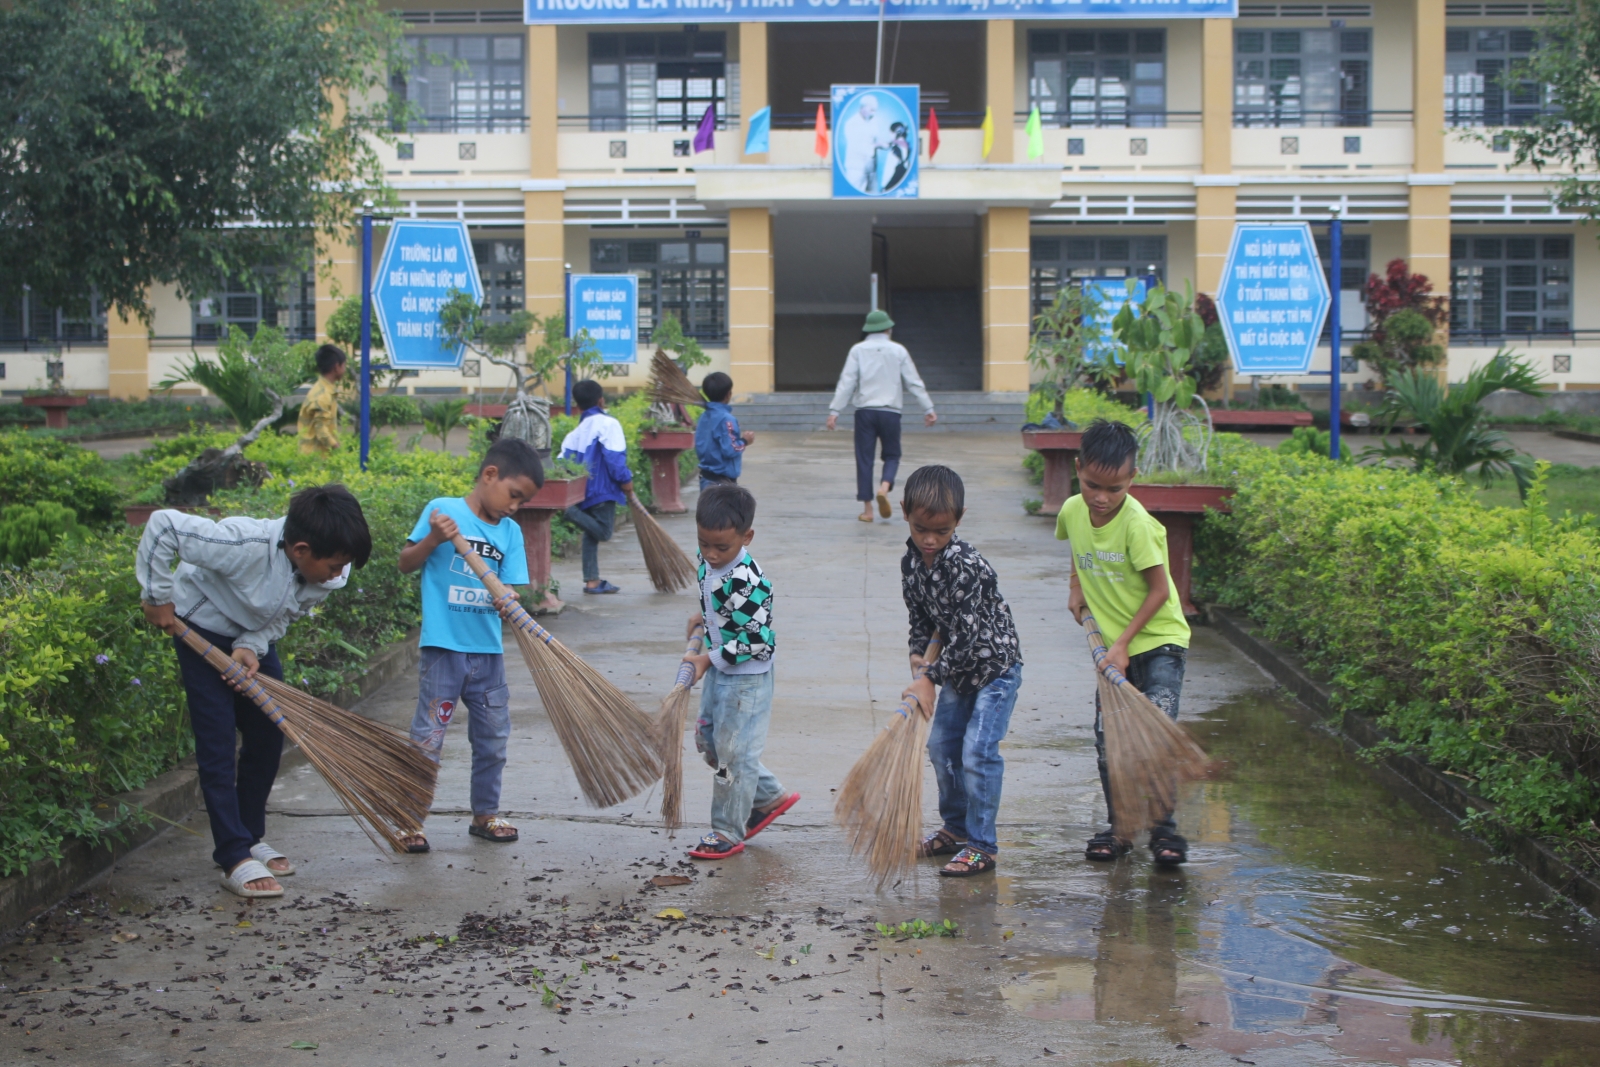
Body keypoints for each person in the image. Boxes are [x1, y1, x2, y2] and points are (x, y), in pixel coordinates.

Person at [136, 485, 372, 898]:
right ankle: (231, 855)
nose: (339, 574)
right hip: (199, 629)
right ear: (300, 549)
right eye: (333, 566)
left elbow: (286, 613)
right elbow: (163, 526)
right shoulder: (241, 544)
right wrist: (156, 596)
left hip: (248, 637)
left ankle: (248, 836)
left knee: (267, 732)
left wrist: (252, 645)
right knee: (217, 740)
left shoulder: (329, 569)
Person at [397, 436, 545, 851]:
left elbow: (511, 589)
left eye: (522, 502)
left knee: (493, 738)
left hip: (488, 654)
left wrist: (510, 601)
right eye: (513, 495)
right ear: (489, 475)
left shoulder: (511, 532)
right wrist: (432, 540)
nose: (514, 507)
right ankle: (409, 820)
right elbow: (406, 562)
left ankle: (485, 813)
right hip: (444, 649)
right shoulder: (442, 511)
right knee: (428, 738)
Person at [1056, 418, 1192, 866]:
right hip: (1113, 647)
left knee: (1153, 734)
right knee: (1108, 739)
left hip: (1158, 644)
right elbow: (1076, 547)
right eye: (1093, 484)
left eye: (1114, 489)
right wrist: (1077, 586)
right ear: (1078, 469)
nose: (1101, 497)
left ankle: (1164, 831)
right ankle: (1121, 828)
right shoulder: (1073, 510)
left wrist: (1124, 644)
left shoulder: (1139, 526)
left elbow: (1159, 590)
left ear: (1132, 479)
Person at [900, 465, 1024, 877]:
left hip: (994, 669)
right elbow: (920, 618)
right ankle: (955, 829)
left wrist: (931, 679)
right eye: (922, 530)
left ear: (959, 520)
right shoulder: (912, 563)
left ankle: (982, 844)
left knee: (977, 752)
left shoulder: (966, 565)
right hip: (955, 671)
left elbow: (968, 639)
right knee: (941, 749)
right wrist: (919, 660)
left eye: (943, 531)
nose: (931, 540)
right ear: (905, 514)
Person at [679, 484, 798, 859]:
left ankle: (727, 830)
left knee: (732, 757)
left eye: (721, 548)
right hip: (722, 668)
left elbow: (760, 641)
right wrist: (706, 616)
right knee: (710, 741)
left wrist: (704, 659)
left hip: (747, 679)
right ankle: (768, 796)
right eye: (704, 544)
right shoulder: (709, 560)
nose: (711, 555)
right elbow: (714, 594)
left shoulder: (747, 582)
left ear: (746, 537)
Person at [826, 309, 937, 522]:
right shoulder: (898, 350)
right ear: (888, 328)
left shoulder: (857, 350)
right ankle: (884, 488)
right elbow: (913, 381)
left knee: (864, 459)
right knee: (892, 455)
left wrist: (835, 411)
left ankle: (868, 511)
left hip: (865, 412)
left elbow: (847, 382)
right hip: (890, 412)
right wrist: (928, 409)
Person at [559, 379, 635, 594]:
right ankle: (569, 512)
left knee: (590, 533)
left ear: (578, 406)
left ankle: (592, 581)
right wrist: (626, 482)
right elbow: (614, 459)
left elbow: (561, 464)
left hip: (581, 492)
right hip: (602, 490)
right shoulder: (609, 424)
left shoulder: (573, 434)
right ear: (601, 400)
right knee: (603, 532)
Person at [694, 371, 755, 490]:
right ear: (728, 394)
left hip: (706, 479)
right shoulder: (727, 420)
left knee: (708, 509)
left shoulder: (704, 416)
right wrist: (745, 441)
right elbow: (730, 449)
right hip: (722, 485)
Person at [298, 344, 347, 454]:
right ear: (336, 367)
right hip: (316, 459)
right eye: (344, 365)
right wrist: (339, 449)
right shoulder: (322, 396)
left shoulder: (322, 389)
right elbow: (321, 430)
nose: (345, 369)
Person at [841, 93, 888, 193]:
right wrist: (876, 145)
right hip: (856, 169)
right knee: (854, 200)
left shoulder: (873, 121)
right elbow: (857, 146)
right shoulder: (852, 123)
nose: (873, 113)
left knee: (874, 201)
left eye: (875, 111)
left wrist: (884, 144)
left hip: (871, 170)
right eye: (872, 110)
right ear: (864, 107)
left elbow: (875, 139)